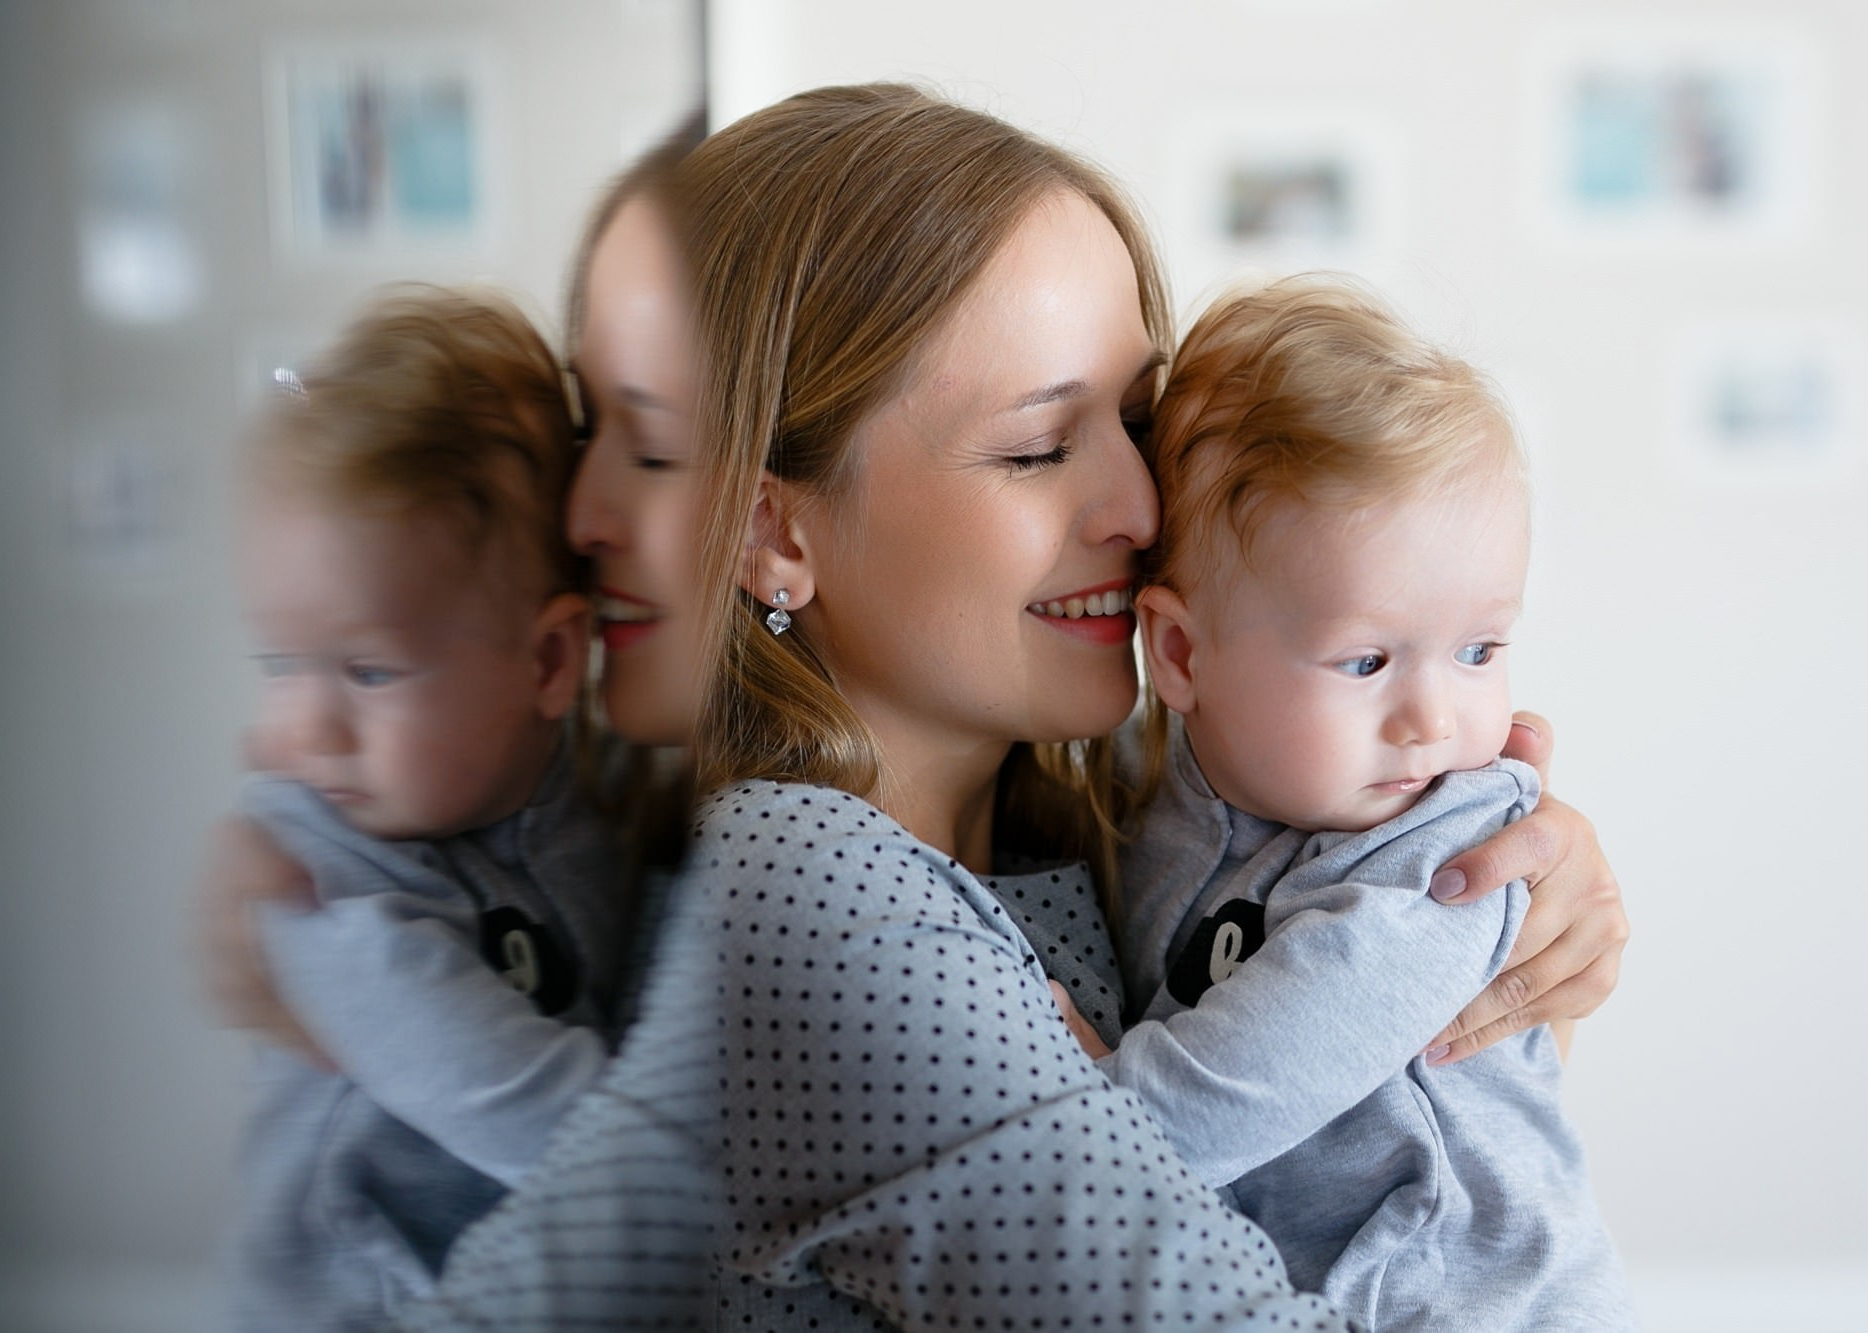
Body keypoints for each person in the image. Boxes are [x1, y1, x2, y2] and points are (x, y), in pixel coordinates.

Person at [199, 88, 1628, 1328]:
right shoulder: (811, 897)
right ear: (773, 531)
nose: (1141, 505)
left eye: (1134, 424)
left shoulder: (1099, 824)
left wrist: (1495, 910)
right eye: (1034, 447)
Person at [1085, 275, 1631, 1328]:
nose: (1432, 718)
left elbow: (1237, 1085)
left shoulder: (1451, 848)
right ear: (1181, 652)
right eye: (1367, 658)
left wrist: (1088, 1094)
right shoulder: (1138, 790)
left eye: (1479, 649)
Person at [224, 287, 630, 1329]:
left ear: (547, 658)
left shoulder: (593, 786)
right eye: (280, 662)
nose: (305, 729)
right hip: (350, 1300)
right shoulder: (325, 885)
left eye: (364, 671)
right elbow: (540, 1121)